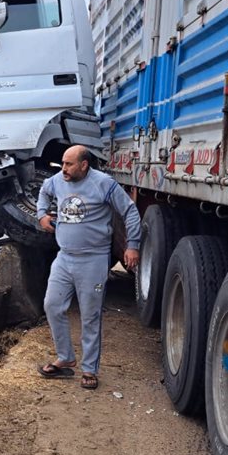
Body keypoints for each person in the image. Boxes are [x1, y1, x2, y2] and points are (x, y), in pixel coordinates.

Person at [36, 145, 141, 391]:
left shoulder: (104, 184)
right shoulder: (57, 181)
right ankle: (65, 357)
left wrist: (133, 245)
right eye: (62, 163)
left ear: (84, 165)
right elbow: (44, 190)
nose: (64, 169)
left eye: (69, 164)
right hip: (64, 258)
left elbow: (131, 212)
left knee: (90, 315)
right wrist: (42, 214)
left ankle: (89, 370)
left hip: (93, 260)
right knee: (52, 305)